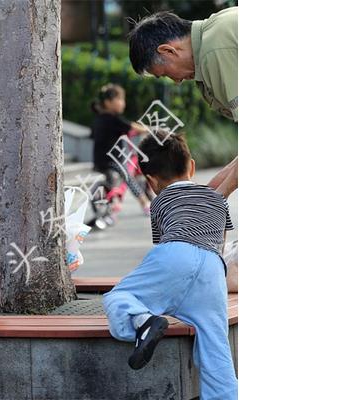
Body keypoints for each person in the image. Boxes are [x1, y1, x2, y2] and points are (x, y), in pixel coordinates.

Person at [102, 131, 237, 400]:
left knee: (119, 297)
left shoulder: (159, 202)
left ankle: (143, 321)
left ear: (151, 181)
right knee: (215, 345)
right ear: (193, 166)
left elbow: (165, 247)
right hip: (212, 267)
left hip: (173, 253)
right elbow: (219, 243)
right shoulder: (218, 201)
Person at [127, 7, 238, 198]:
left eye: (166, 74)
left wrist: (212, 204)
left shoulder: (214, 53)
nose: (176, 81)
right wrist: (209, 194)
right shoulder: (216, 32)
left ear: (168, 51)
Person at [90, 83, 152, 215]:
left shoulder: (99, 119)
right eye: (120, 99)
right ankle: (144, 203)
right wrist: (148, 129)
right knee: (129, 178)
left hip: (99, 160)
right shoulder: (113, 119)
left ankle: (113, 201)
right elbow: (132, 127)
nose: (123, 103)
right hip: (112, 160)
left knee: (118, 179)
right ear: (108, 102)